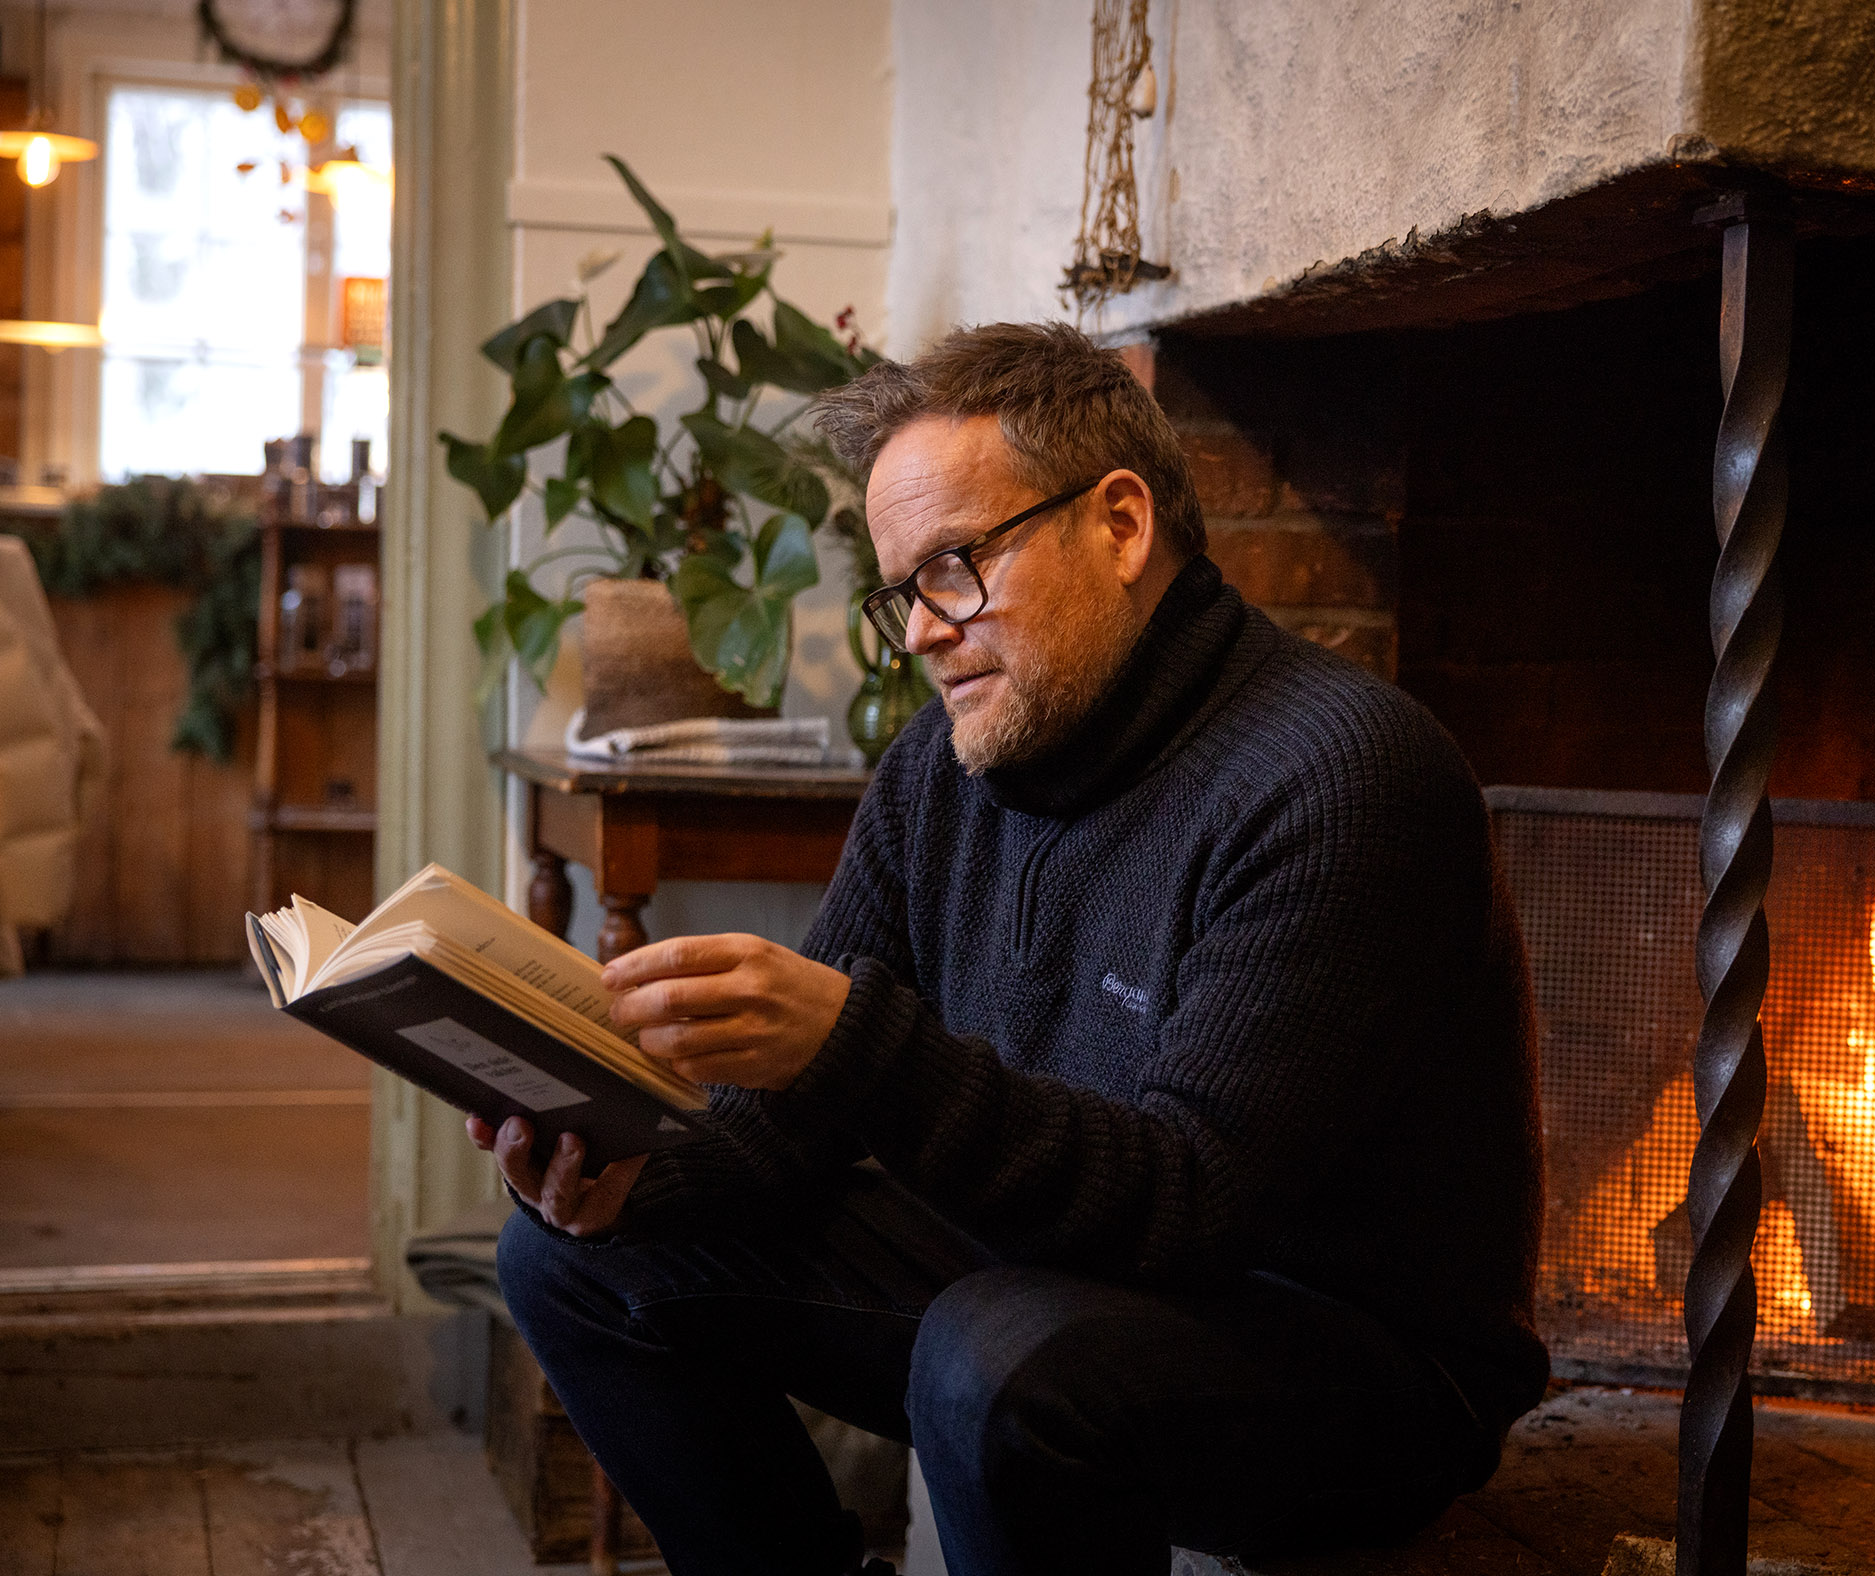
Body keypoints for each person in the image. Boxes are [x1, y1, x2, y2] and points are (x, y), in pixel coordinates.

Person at [484, 322, 1545, 1576]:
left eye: (954, 566)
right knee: (572, 1255)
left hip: (1350, 1357)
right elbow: (785, 1134)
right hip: (1054, 1272)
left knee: (995, 1352)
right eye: (901, 592)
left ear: (1120, 525)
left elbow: (1190, 1204)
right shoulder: (938, 769)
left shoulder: (1341, 777)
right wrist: (623, 1173)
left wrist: (857, 1045)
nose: (924, 630)